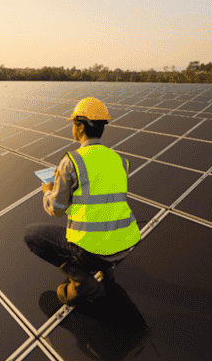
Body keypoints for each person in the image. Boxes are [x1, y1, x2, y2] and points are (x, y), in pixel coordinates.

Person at [25, 97, 141, 306]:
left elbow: (57, 209)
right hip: (125, 245)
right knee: (102, 225)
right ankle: (107, 274)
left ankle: (81, 281)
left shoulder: (72, 161)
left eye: (73, 124)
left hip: (90, 251)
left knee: (32, 235)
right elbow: (105, 201)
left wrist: (48, 191)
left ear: (78, 126)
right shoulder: (120, 160)